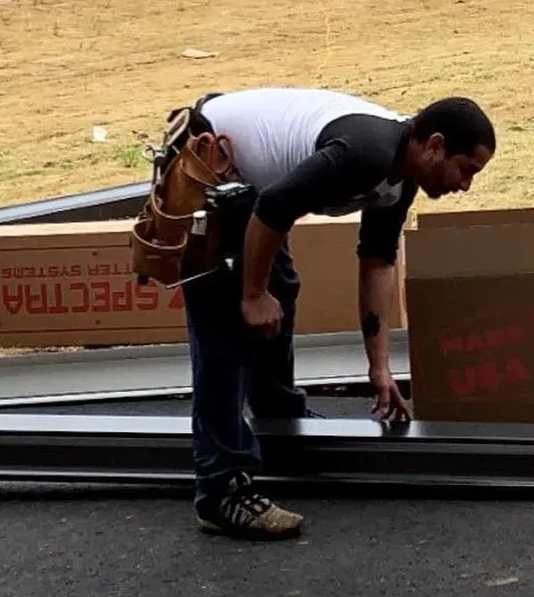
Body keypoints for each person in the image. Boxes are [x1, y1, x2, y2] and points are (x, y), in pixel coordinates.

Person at [172, 86, 496, 541]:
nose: (466, 185)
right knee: (225, 324)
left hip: (255, 191)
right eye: (466, 170)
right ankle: (222, 491)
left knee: (279, 288)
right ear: (435, 145)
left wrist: (380, 369)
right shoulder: (366, 153)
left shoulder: (400, 178)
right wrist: (250, 295)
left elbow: (377, 264)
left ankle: (277, 422)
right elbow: (273, 207)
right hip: (211, 159)